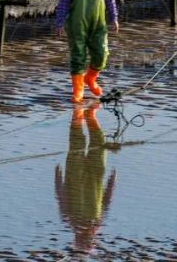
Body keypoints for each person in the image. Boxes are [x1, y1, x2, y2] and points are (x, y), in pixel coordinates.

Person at [55, 0, 119, 103]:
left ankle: (89, 79)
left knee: (101, 54)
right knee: (78, 56)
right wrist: (59, 22)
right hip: (77, 24)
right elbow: (63, 2)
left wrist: (114, 17)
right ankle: (78, 91)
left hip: (98, 23)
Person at [54, 103, 116, 254]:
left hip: (74, 175)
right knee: (99, 144)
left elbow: (61, 197)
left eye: (87, 240)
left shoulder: (69, 219)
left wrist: (58, 178)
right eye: (91, 240)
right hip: (96, 176)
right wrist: (111, 182)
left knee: (77, 143)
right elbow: (106, 201)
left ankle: (79, 113)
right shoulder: (97, 222)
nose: (90, 237)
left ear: (77, 237)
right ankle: (90, 115)